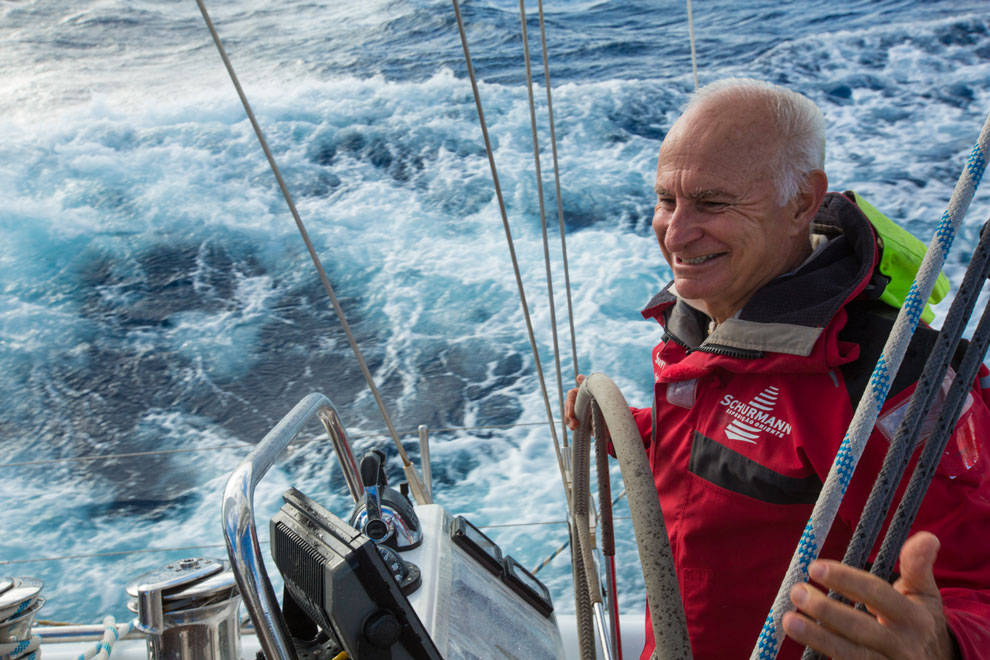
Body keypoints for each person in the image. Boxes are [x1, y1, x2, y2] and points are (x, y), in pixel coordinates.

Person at [564, 78, 990, 659]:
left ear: (802, 203)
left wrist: (944, 645)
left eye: (713, 203)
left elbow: (975, 582)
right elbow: (742, 449)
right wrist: (637, 434)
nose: (676, 234)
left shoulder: (887, 386)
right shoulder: (708, 313)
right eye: (667, 200)